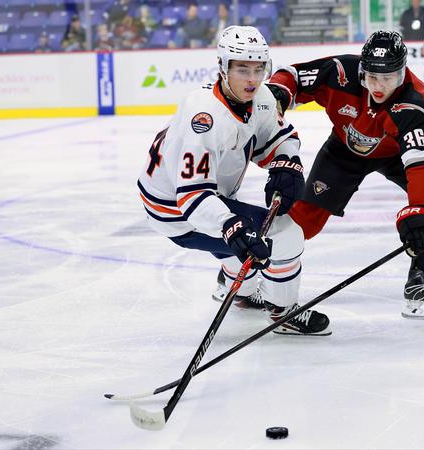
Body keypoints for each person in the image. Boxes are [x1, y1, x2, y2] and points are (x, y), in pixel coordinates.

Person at [137, 26, 331, 336]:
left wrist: (287, 163)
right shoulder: (204, 118)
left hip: (204, 195)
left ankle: (239, 291)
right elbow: (192, 197)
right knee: (285, 233)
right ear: (223, 68)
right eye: (242, 69)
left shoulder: (261, 97)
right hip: (175, 209)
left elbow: (280, 137)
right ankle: (283, 311)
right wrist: (229, 225)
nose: (252, 79)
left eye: (258, 69)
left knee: (244, 236)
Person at [266, 31, 424, 319]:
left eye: (388, 77)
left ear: (402, 72)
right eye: (372, 77)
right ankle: (252, 271)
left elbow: (423, 163)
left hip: (396, 152)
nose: (379, 86)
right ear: (362, 69)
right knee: (304, 220)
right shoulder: (340, 72)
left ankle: (422, 281)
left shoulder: (413, 101)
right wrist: (278, 91)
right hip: (343, 150)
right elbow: (292, 75)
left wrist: (419, 209)